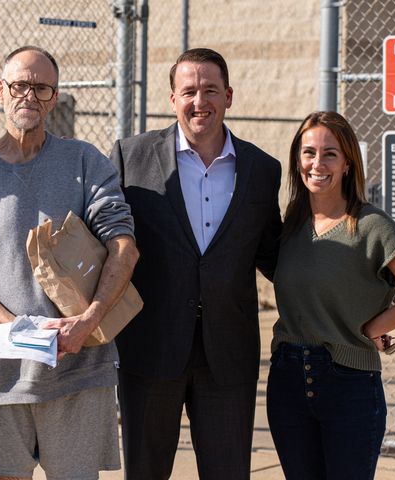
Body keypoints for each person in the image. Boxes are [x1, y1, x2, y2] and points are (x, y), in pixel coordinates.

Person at [0, 45, 138, 480]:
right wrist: (17, 330)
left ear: (54, 95)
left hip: (79, 369)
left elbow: (124, 244)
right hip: (2, 373)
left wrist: (90, 319)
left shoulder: (85, 161)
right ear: (0, 90)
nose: (29, 95)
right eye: (19, 85)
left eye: (41, 87)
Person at [109, 48, 282, 479]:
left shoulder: (262, 169)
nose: (199, 101)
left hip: (228, 355)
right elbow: (104, 246)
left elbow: (277, 256)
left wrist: (354, 309)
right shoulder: (131, 158)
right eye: (189, 91)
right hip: (149, 349)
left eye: (210, 90)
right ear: (172, 99)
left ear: (228, 96)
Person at [267, 111, 395, 479]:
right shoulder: (291, 226)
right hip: (286, 383)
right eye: (309, 152)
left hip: (348, 385)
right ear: (297, 160)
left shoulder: (371, 226)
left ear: (347, 163)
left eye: (330, 153)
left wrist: (373, 326)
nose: (318, 163)